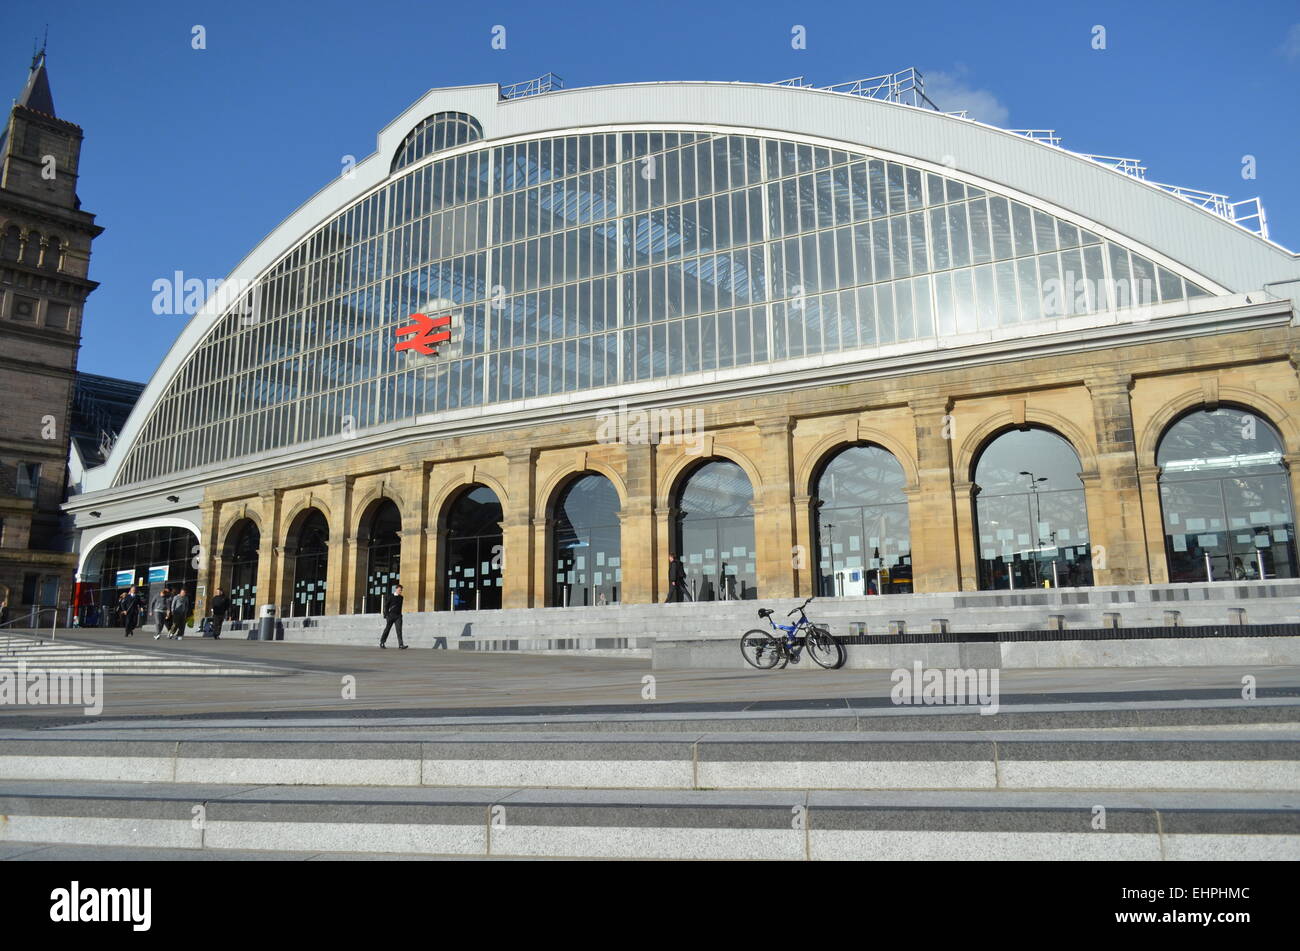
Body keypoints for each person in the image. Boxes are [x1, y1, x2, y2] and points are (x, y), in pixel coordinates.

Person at [379, 584, 407, 648]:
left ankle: (401, 644)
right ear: (396, 589)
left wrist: (400, 615)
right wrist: (386, 615)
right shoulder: (390, 596)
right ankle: (382, 642)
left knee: (399, 630)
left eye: (401, 590)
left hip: (398, 616)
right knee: (387, 629)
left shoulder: (401, 597)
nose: (400, 591)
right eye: (399, 590)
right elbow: (386, 606)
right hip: (390, 616)